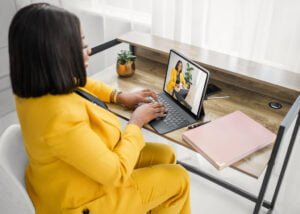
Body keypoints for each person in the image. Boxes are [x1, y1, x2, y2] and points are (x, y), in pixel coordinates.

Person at [9, 3, 190, 214]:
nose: (89, 52)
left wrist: (120, 96)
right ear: (55, 56)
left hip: (69, 177)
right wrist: (136, 123)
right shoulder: (58, 119)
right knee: (179, 179)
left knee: (166, 154)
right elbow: (117, 173)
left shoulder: (37, 85)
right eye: (80, 47)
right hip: (84, 202)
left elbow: (81, 82)